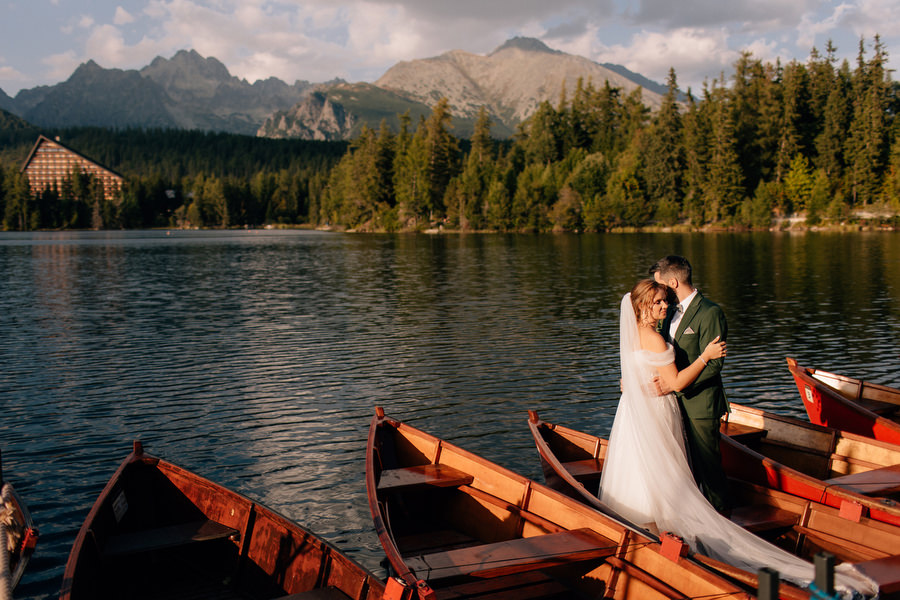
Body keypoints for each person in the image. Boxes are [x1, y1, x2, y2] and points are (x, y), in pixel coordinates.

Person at [598, 279, 875, 595]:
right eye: (658, 302)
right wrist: (706, 355)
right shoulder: (655, 340)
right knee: (664, 466)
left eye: (665, 301)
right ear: (643, 304)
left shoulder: (632, 333)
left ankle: (643, 532)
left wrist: (633, 383)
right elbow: (675, 383)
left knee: (641, 464)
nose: (664, 307)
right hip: (657, 410)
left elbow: (629, 377)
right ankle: (668, 531)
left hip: (633, 411)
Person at [650, 255, 730, 514]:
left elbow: (715, 365)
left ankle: (722, 514)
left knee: (708, 465)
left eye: (660, 285)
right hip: (670, 404)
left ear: (672, 282)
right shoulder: (668, 311)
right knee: (683, 463)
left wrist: (675, 384)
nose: (658, 292)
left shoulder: (710, 312)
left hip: (700, 403)